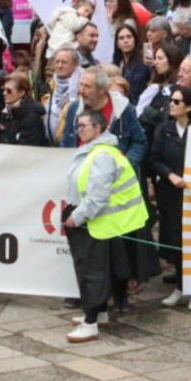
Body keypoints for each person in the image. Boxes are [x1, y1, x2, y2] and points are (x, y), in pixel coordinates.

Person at [62, 106, 147, 344]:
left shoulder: (102, 155)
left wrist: (76, 217)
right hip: (96, 221)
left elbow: (97, 197)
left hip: (93, 221)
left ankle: (91, 323)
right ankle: (98, 313)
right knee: (95, 271)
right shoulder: (97, 151)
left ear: (98, 128)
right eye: (77, 126)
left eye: (83, 126)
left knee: (92, 273)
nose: (78, 130)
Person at [153, 85, 191, 310]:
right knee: (175, 240)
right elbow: (154, 159)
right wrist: (170, 175)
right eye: (171, 101)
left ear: (189, 107)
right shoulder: (164, 129)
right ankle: (180, 287)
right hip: (170, 192)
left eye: (176, 101)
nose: (171, 105)